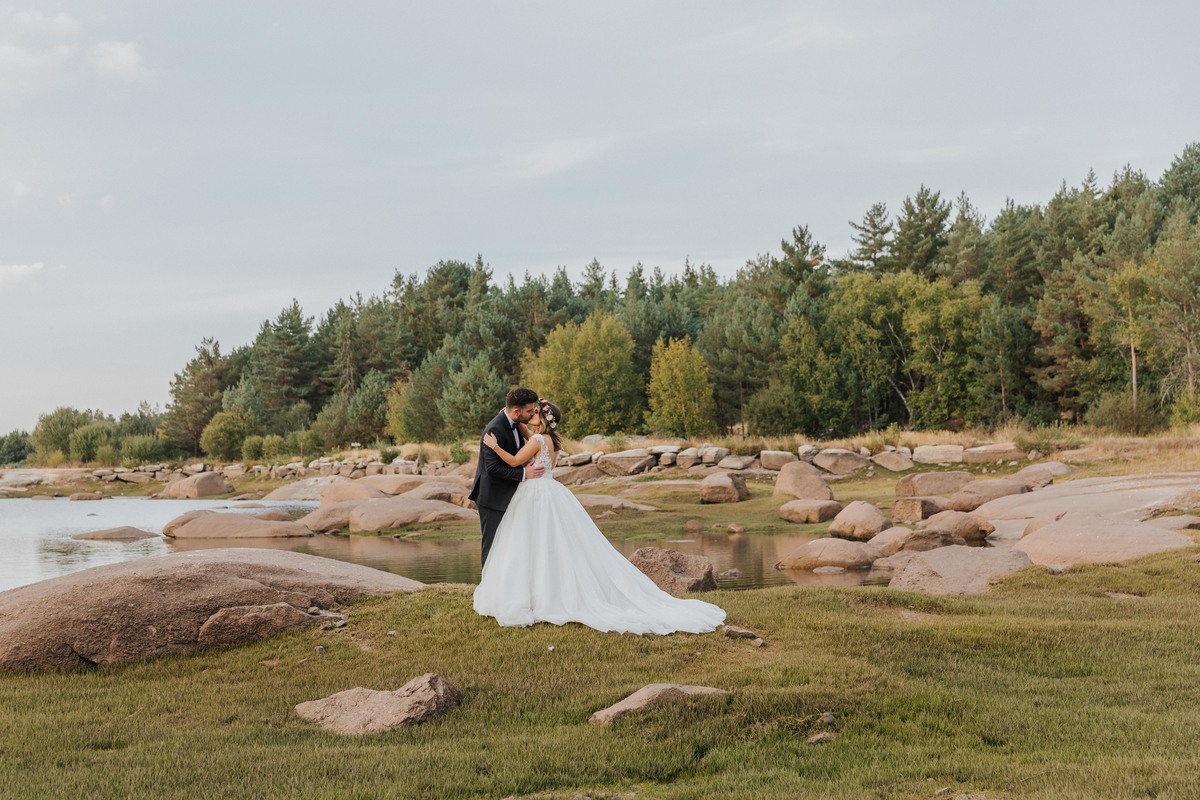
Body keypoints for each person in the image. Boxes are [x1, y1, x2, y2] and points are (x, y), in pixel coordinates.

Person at [472, 397, 726, 635]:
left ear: (543, 419)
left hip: (536, 493)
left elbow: (516, 461)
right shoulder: (551, 440)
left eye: (535, 413)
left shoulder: (537, 440)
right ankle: (545, 590)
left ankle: (538, 593)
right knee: (550, 544)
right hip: (550, 492)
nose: (531, 416)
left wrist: (494, 446)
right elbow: (532, 436)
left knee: (535, 543)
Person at [468, 387, 545, 567]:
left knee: (509, 545)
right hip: (492, 497)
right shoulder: (494, 430)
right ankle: (488, 587)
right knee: (493, 545)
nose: (532, 413)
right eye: (529, 411)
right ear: (516, 411)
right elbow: (493, 468)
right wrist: (524, 474)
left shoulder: (517, 422)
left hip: (509, 494)